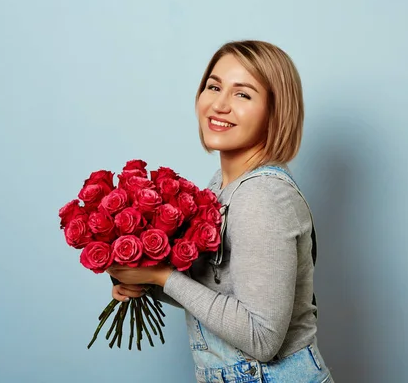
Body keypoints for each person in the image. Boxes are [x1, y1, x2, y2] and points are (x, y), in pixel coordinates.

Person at [107, 40, 334, 383]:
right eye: (214, 86)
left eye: (243, 94)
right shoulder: (220, 186)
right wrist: (143, 281)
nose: (220, 104)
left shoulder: (262, 196)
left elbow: (261, 338)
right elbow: (222, 303)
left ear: (276, 111)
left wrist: (163, 278)